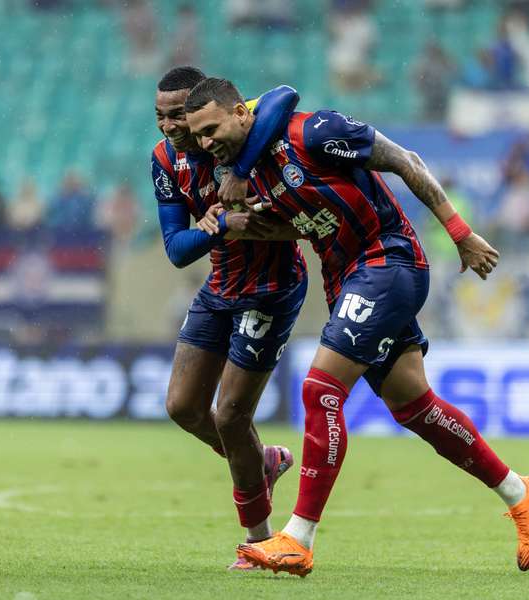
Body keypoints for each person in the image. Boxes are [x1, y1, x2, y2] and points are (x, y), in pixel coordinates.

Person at [185, 78, 529, 577]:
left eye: (212, 129)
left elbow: (408, 161)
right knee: (413, 405)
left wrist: (460, 233)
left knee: (319, 390)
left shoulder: (314, 133)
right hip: (345, 279)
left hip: (388, 261)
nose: (206, 143)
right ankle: (520, 491)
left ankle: (297, 538)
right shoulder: (251, 175)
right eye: (198, 137)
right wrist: (255, 225)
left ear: (241, 113)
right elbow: (311, 218)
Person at [151, 66, 308, 570]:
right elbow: (177, 250)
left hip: (270, 289)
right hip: (220, 286)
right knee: (182, 408)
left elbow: (284, 93)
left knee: (231, 417)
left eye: (179, 115)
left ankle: (258, 541)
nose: (171, 127)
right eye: (160, 116)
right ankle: (263, 462)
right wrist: (221, 229)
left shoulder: (240, 136)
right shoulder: (163, 161)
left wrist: (240, 175)